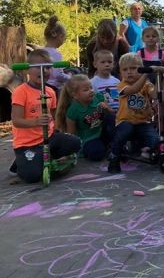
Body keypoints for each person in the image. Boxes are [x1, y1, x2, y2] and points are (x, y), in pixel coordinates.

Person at [11, 50, 81, 183]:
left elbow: (53, 115)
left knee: (75, 143)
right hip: (28, 144)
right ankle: (22, 161)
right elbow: (16, 121)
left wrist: (56, 129)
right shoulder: (20, 92)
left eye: (48, 67)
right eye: (38, 67)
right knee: (31, 176)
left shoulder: (50, 91)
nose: (44, 71)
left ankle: (42, 158)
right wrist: (36, 121)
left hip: (48, 138)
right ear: (27, 70)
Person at [108, 53, 159, 174]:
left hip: (143, 122)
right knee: (125, 131)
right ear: (120, 72)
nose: (129, 72)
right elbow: (133, 90)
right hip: (125, 121)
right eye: (125, 69)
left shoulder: (147, 85)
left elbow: (155, 95)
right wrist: (146, 73)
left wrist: (160, 77)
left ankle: (144, 149)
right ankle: (114, 156)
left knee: (155, 139)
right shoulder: (121, 85)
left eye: (133, 68)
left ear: (140, 69)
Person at [57, 74, 115, 161]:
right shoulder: (73, 111)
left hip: (102, 132)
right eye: (86, 90)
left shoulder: (98, 97)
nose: (91, 91)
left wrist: (107, 108)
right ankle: (107, 147)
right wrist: (69, 153)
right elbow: (71, 134)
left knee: (111, 118)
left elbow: (112, 114)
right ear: (75, 95)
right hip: (88, 140)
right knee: (96, 154)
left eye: (91, 87)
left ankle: (112, 145)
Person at [42, 15, 70, 94]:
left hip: (42, 86)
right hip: (53, 88)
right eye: (64, 38)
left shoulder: (40, 52)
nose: (63, 42)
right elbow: (58, 75)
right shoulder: (56, 54)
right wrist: (70, 77)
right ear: (60, 37)